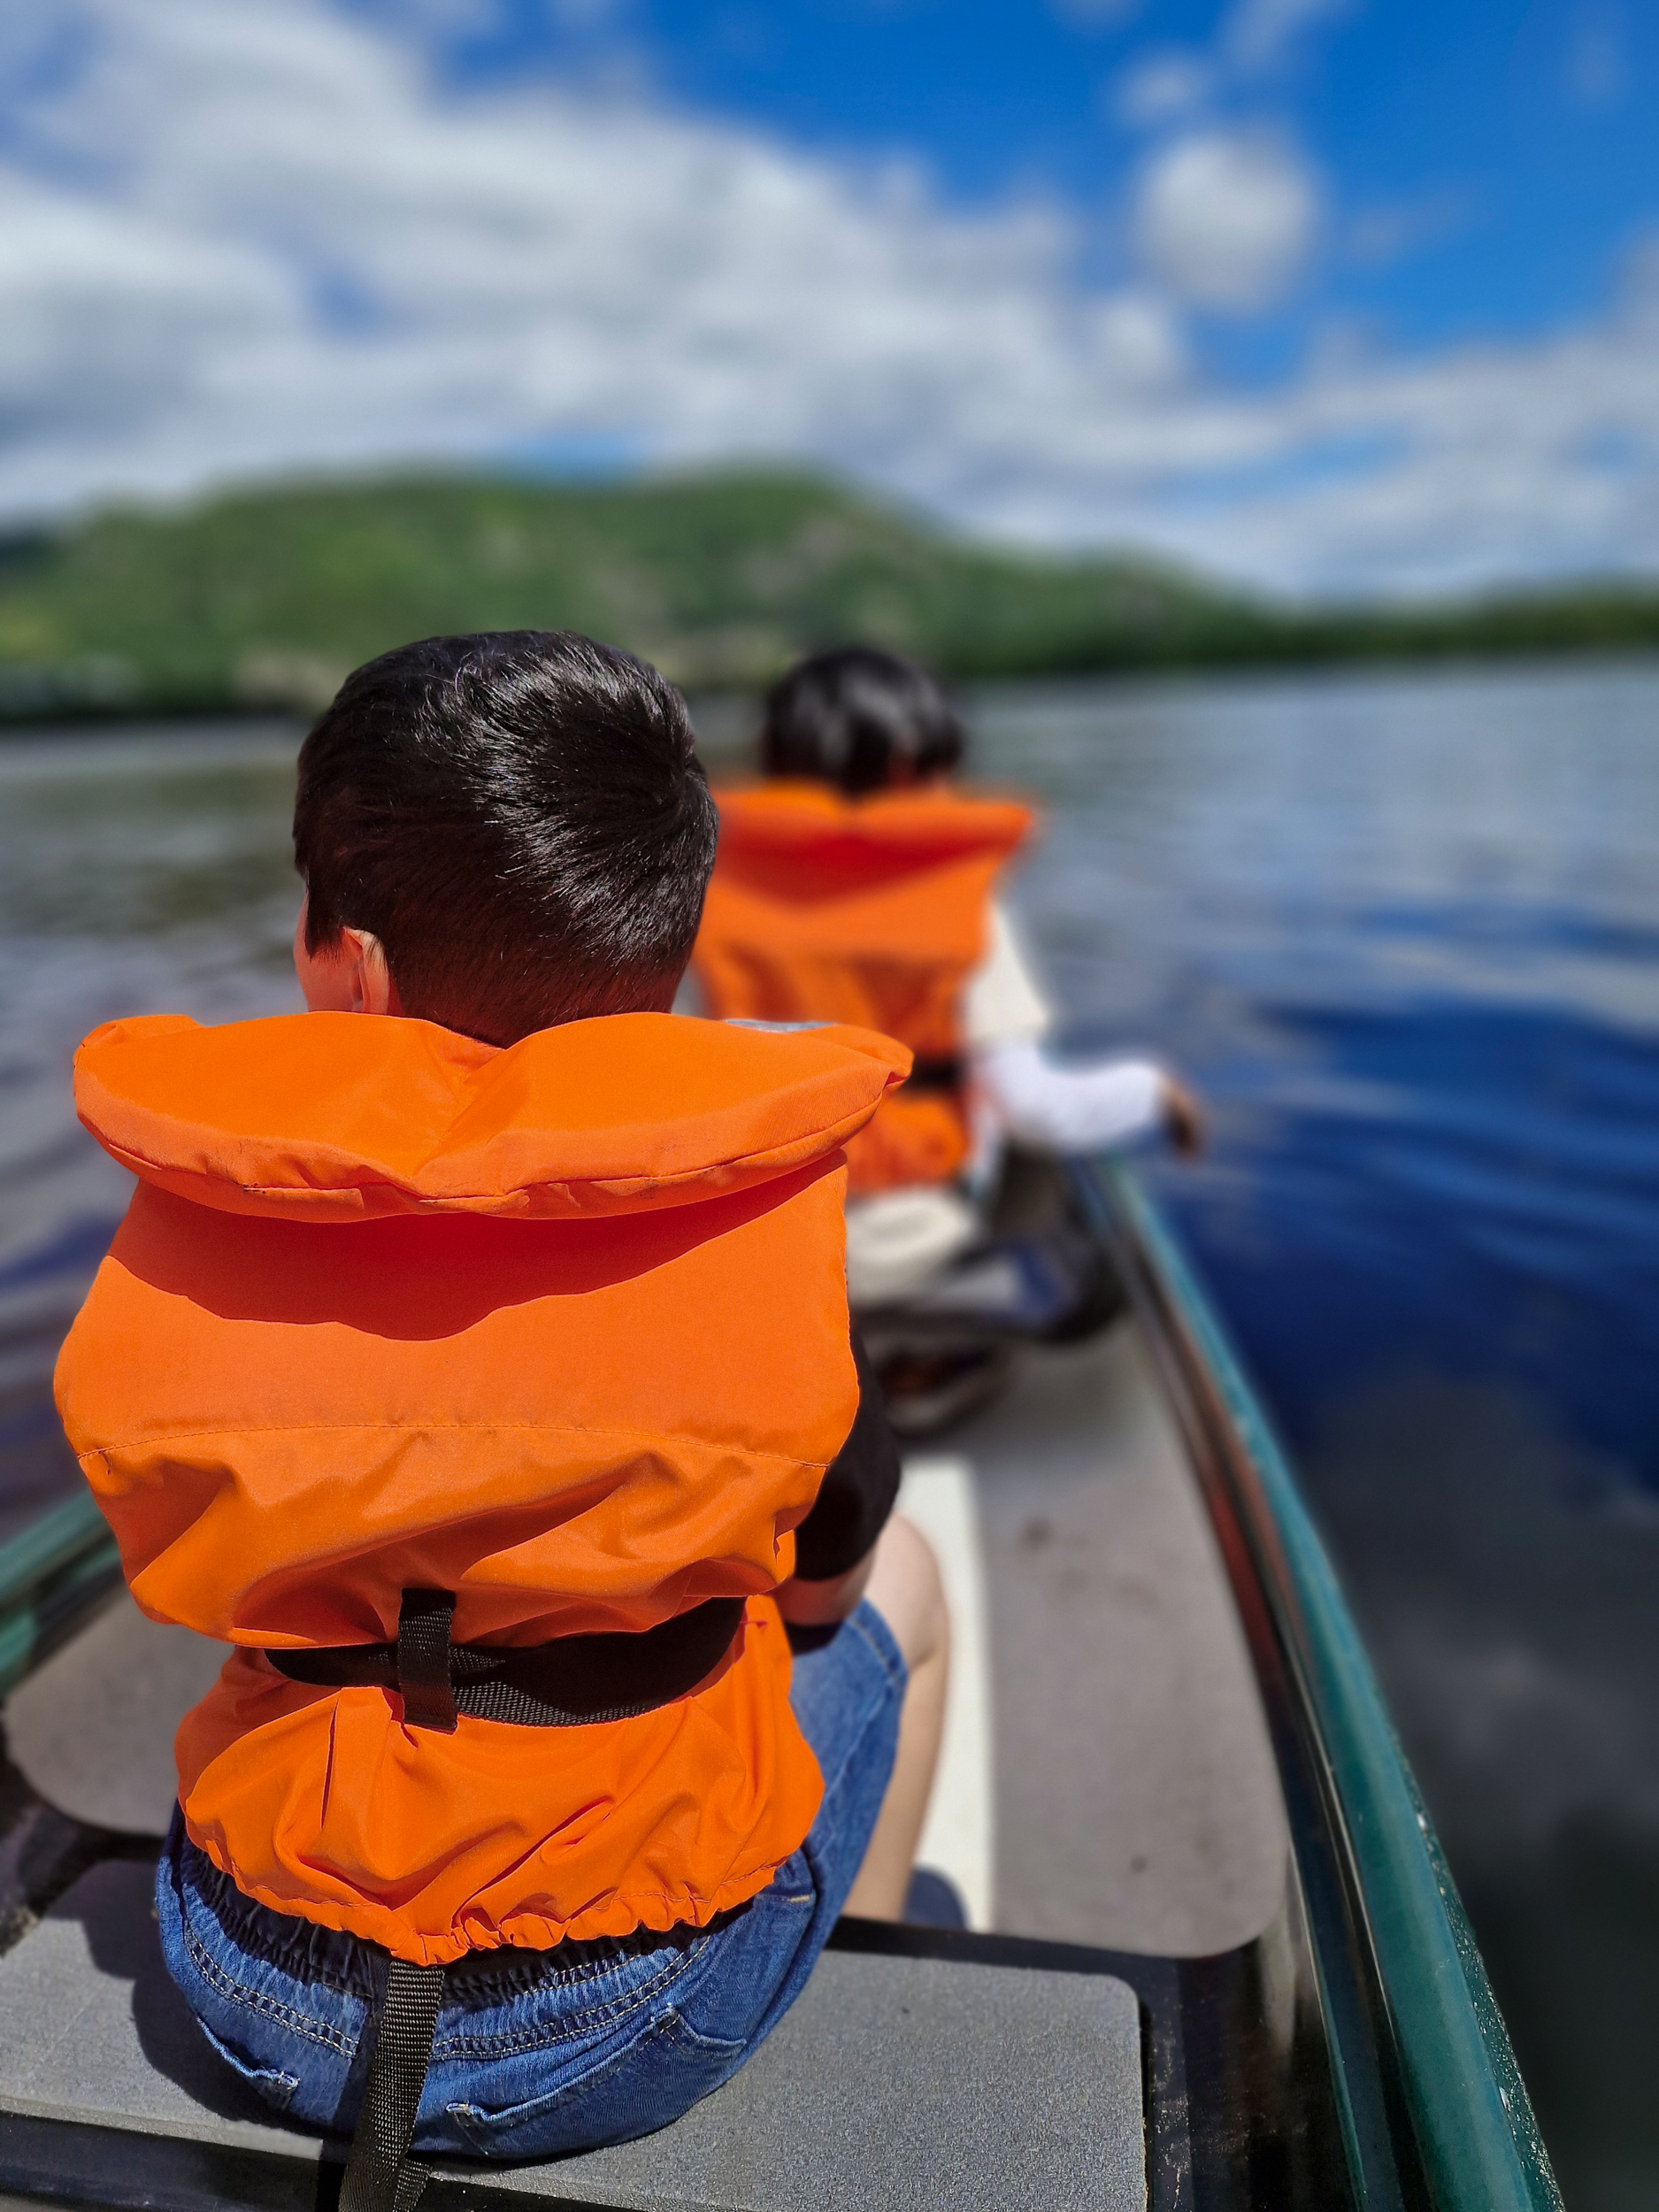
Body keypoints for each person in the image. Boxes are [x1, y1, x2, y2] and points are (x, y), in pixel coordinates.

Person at [52, 633, 949, 2201]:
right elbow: (823, 1582)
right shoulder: (754, 1234)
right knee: (908, 1594)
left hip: (244, 1982)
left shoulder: (202, 1237)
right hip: (632, 2019)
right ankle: (846, 1973)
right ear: (664, 966)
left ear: (358, 972)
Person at [687, 647, 1203, 1309]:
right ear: (911, 766)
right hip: (905, 1247)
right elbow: (1034, 1109)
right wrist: (1156, 1092)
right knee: (1021, 1147)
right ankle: (931, 1362)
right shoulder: (959, 901)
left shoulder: (707, 890)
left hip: (753, 1236)